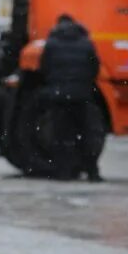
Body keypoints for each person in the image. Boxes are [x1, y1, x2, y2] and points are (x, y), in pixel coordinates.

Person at [39, 14, 101, 180]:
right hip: (81, 96)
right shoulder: (86, 43)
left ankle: (64, 172)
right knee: (86, 134)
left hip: (59, 96)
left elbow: (44, 67)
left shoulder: (51, 44)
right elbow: (94, 68)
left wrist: (55, 84)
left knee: (61, 136)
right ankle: (92, 171)